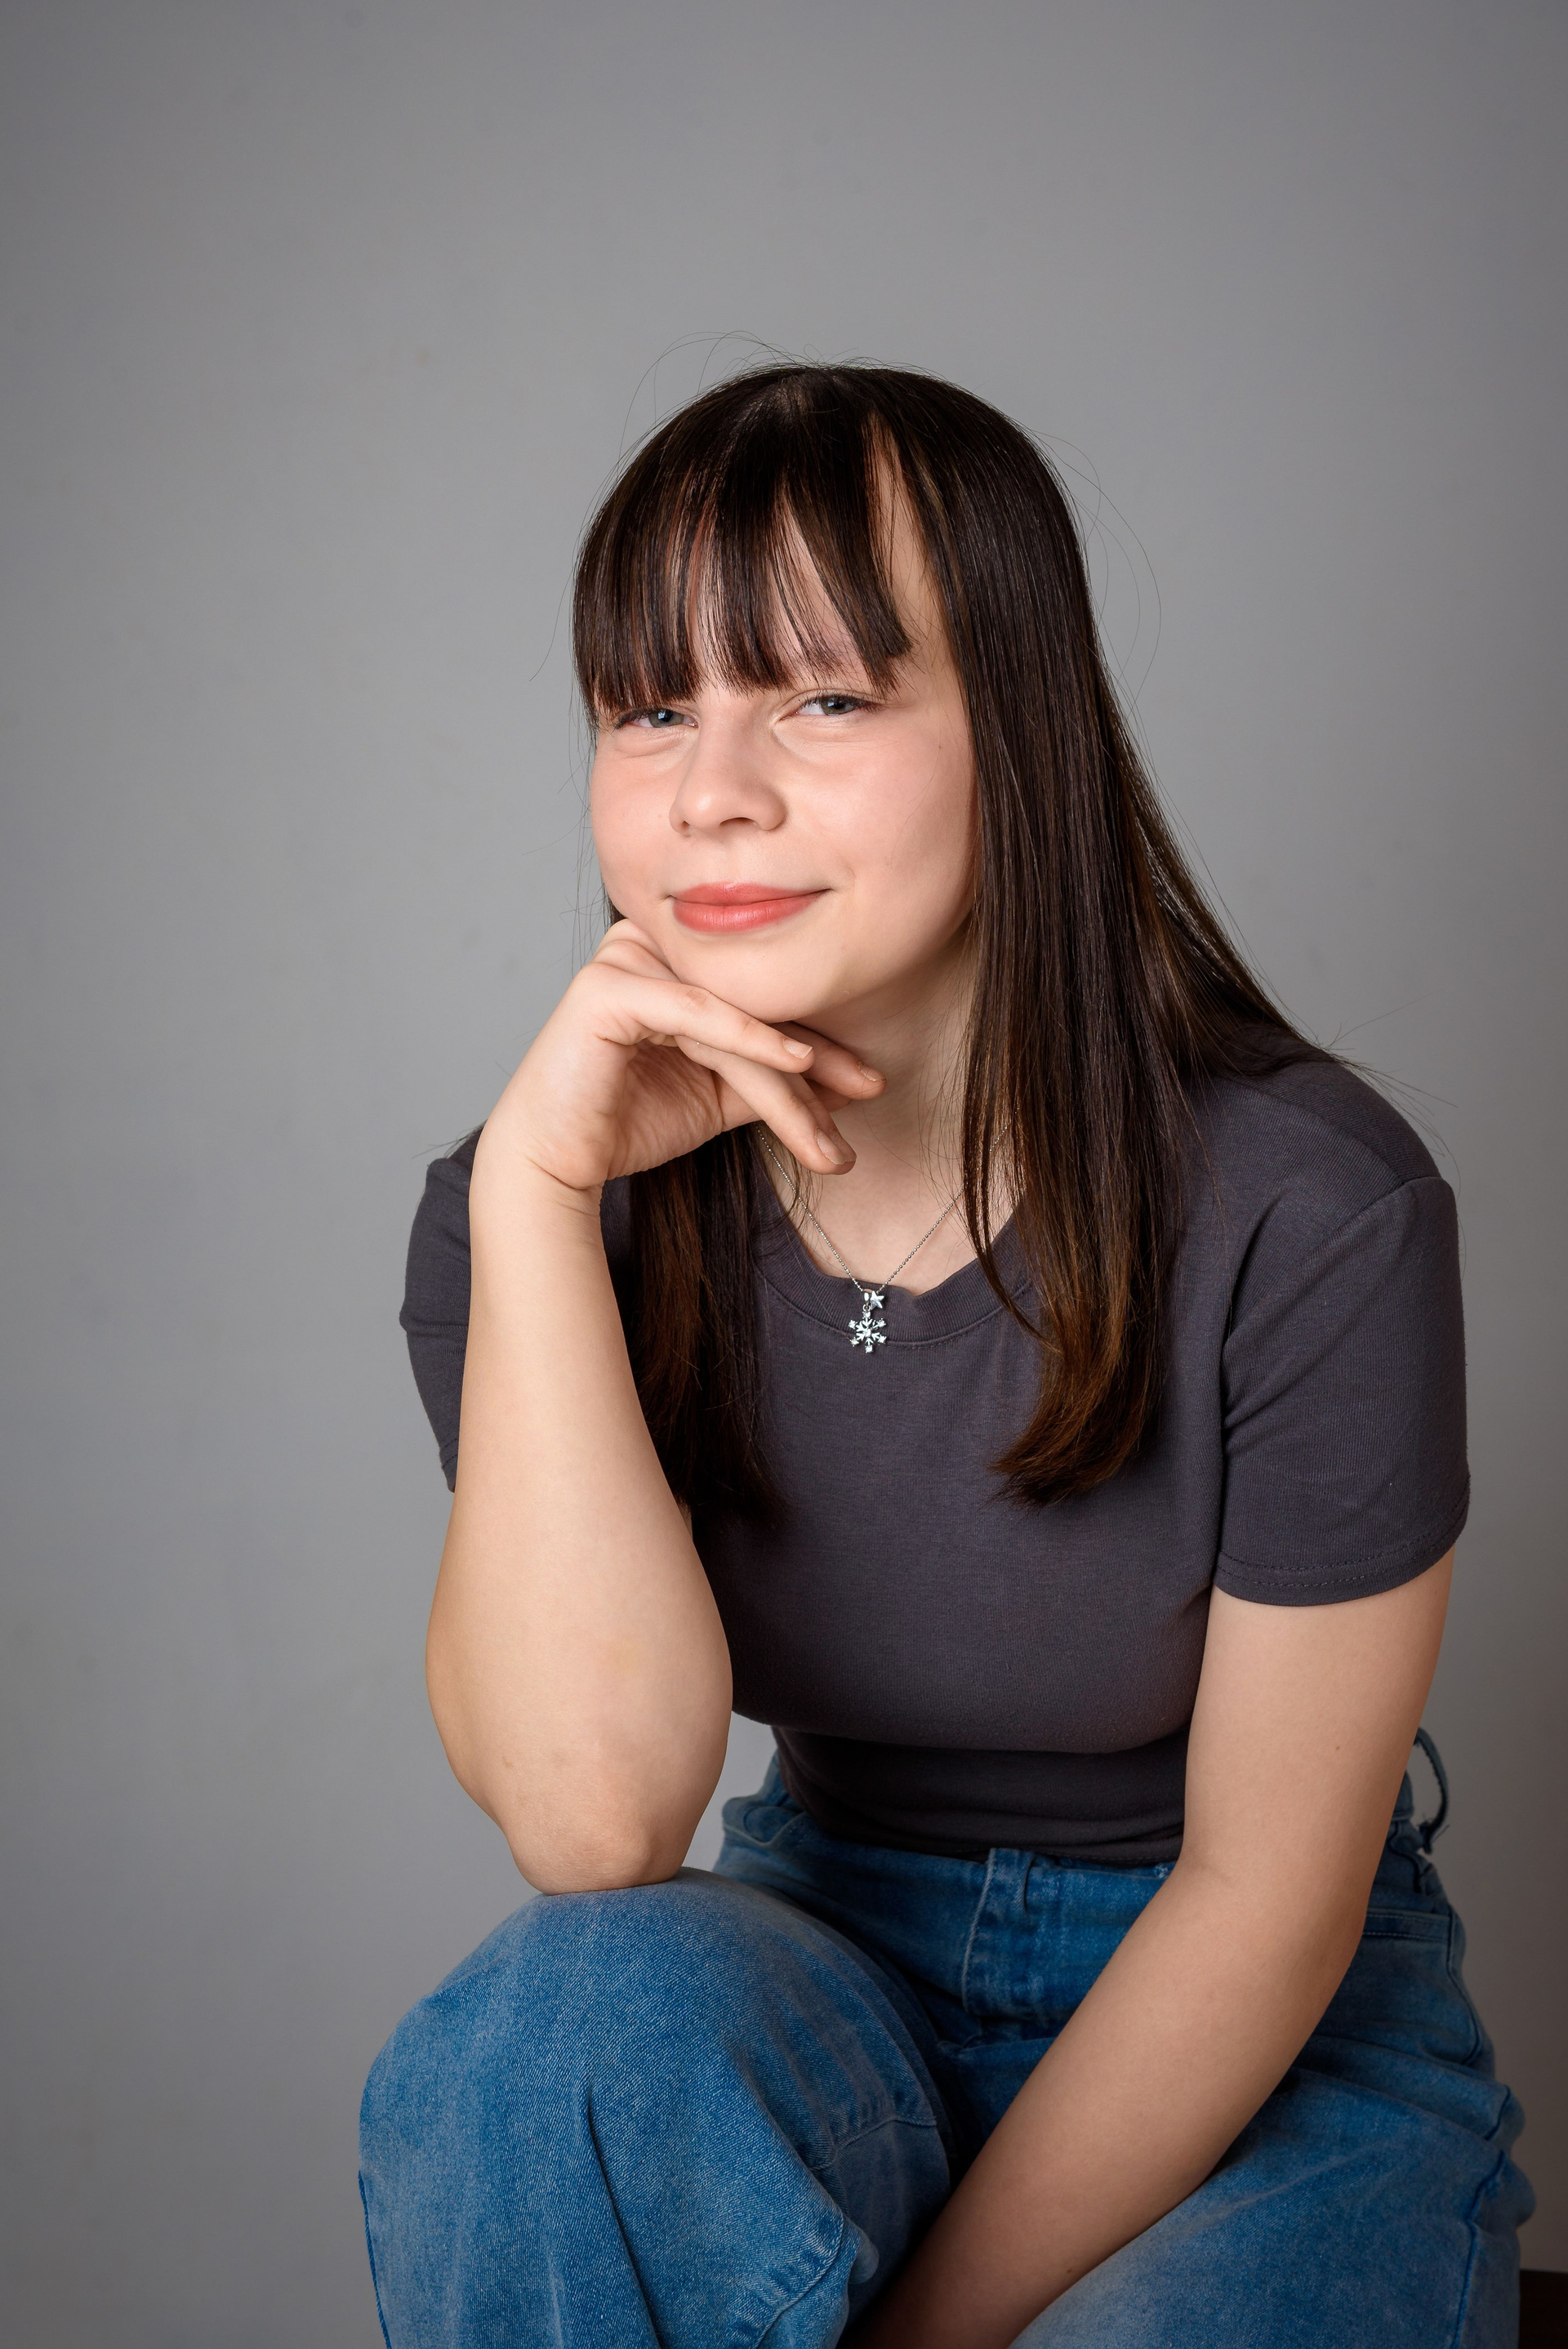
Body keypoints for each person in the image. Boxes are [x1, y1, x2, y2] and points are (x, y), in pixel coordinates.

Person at [358, 363, 1531, 2348]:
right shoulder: (536, 1209)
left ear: (1022, 727)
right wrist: (541, 1201)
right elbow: (596, 1829)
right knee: (557, 2025)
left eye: (823, 697)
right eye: (651, 708)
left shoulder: (1310, 1205)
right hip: (825, 1965)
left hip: (1266, 2033)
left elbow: (1264, 1901)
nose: (714, 792)